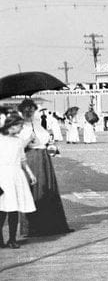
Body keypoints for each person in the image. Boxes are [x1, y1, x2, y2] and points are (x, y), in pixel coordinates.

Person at [17, 99, 73, 237]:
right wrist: (28, 140)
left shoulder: (36, 123)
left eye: (32, 109)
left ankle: (52, 225)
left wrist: (49, 142)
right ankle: (34, 227)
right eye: (27, 109)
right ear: (22, 111)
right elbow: (17, 147)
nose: (29, 111)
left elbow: (45, 139)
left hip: (44, 158)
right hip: (31, 159)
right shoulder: (19, 125)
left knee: (49, 190)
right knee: (36, 191)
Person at [0, 111, 37, 249]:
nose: (21, 129)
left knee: (14, 209)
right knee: (2, 209)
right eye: (20, 126)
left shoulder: (18, 141)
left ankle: (12, 239)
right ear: (12, 126)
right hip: (2, 176)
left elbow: (23, 160)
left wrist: (30, 174)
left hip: (16, 175)